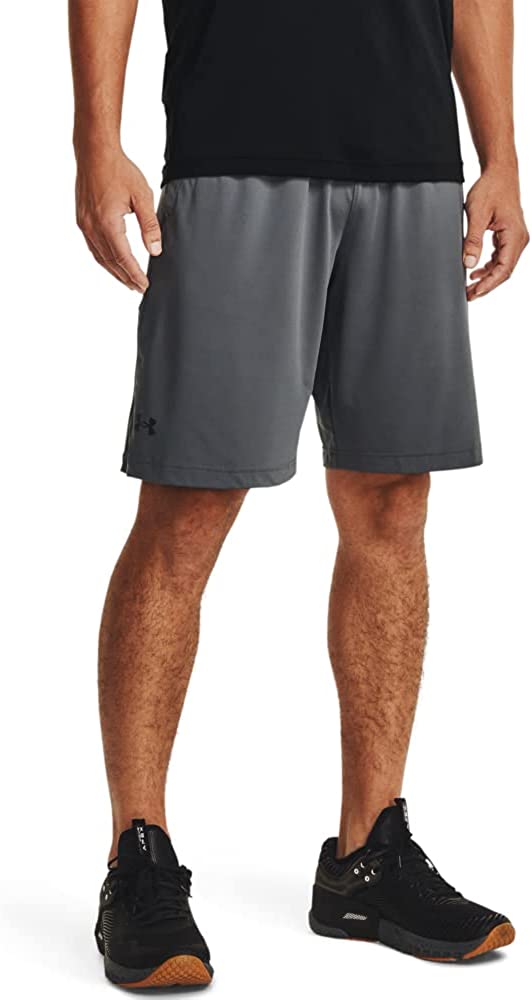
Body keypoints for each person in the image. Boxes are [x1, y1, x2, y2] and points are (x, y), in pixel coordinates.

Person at [70, 0, 528, 986]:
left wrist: (500, 150)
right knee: (189, 507)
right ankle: (137, 859)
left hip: (411, 154)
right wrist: (95, 140)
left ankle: (368, 857)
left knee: (392, 502)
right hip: (235, 142)